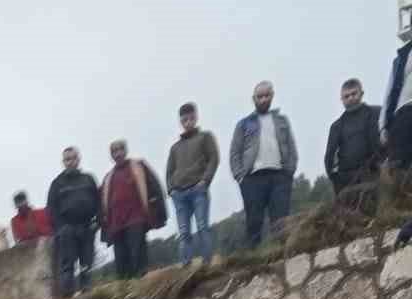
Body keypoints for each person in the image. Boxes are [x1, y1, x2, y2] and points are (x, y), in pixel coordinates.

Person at [229, 81, 298, 247]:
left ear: (272, 96)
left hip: (279, 176)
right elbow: (235, 152)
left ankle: (282, 254)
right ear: (254, 99)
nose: (264, 99)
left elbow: (291, 146)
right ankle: (254, 259)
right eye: (260, 96)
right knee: (254, 221)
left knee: (281, 220)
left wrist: (289, 172)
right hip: (252, 179)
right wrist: (240, 177)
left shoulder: (282, 120)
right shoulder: (244, 123)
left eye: (267, 95)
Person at [100, 139, 167, 280]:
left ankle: (141, 281)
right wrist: (103, 224)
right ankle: (125, 288)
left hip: (136, 218)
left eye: (120, 150)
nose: (117, 154)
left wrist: (157, 207)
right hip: (116, 223)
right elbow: (101, 202)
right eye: (114, 151)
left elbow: (155, 186)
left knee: (137, 251)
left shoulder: (139, 166)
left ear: (125, 151)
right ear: (111, 155)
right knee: (120, 259)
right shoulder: (108, 177)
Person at [167, 103, 220, 264]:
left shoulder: (205, 137)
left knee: (202, 226)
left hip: (198, 190)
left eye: (190, 118)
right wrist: (171, 190)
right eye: (184, 120)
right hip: (179, 194)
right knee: (184, 232)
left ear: (196, 117)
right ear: (180, 122)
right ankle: (185, 266)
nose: (188, 122)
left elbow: (214, 159)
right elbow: (169, 171)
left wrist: (205, 180)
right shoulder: (175, 147)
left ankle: (207, 264)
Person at [47, 147, 101, 296]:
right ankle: (67, 294)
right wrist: (60, 228)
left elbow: (98, 202)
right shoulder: (57, 183)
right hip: (67, 229)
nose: (70, 162)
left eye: (73, 158)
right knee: (67, 264)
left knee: (86, 261)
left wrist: (97, 222)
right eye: (67, 159)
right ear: (63, 162)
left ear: (78, 159)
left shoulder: (88, 179)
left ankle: (86, 289)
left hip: (87, 226)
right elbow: (51, 209)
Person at [325, 79, 383, 206]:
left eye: (354, 94)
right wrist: (336, 180)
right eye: (346, 96)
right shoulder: (337, 126)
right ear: (342, 99)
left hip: (373, 174)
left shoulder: (377, 113)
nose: (350, 98)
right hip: (346, 180)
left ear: (361, 93)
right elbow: (329, 157)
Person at [384, 27, 412, 170]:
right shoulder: (402, 57)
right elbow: (390, 92)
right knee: (400, 168)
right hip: (404, 113)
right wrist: (383, 126)